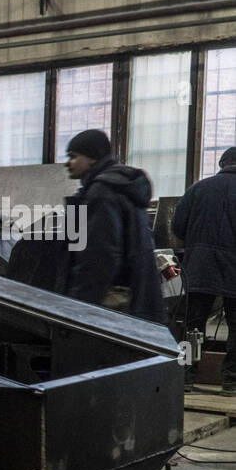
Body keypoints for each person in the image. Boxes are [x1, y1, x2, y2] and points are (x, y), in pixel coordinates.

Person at [63, 129, 166, 325]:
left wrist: (78, 307)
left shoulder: (101, 192)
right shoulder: (122, 185)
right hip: (138, 294)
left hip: (113, 302)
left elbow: (100, 255)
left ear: (92, 158)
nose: (68, 163)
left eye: (73, 157)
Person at [172, 146, 236, 394]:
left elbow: (177, 226)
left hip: (199, 266)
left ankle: (185, 378)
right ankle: (231, 382)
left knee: (193, 325)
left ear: (221, 163)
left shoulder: (197, 189)